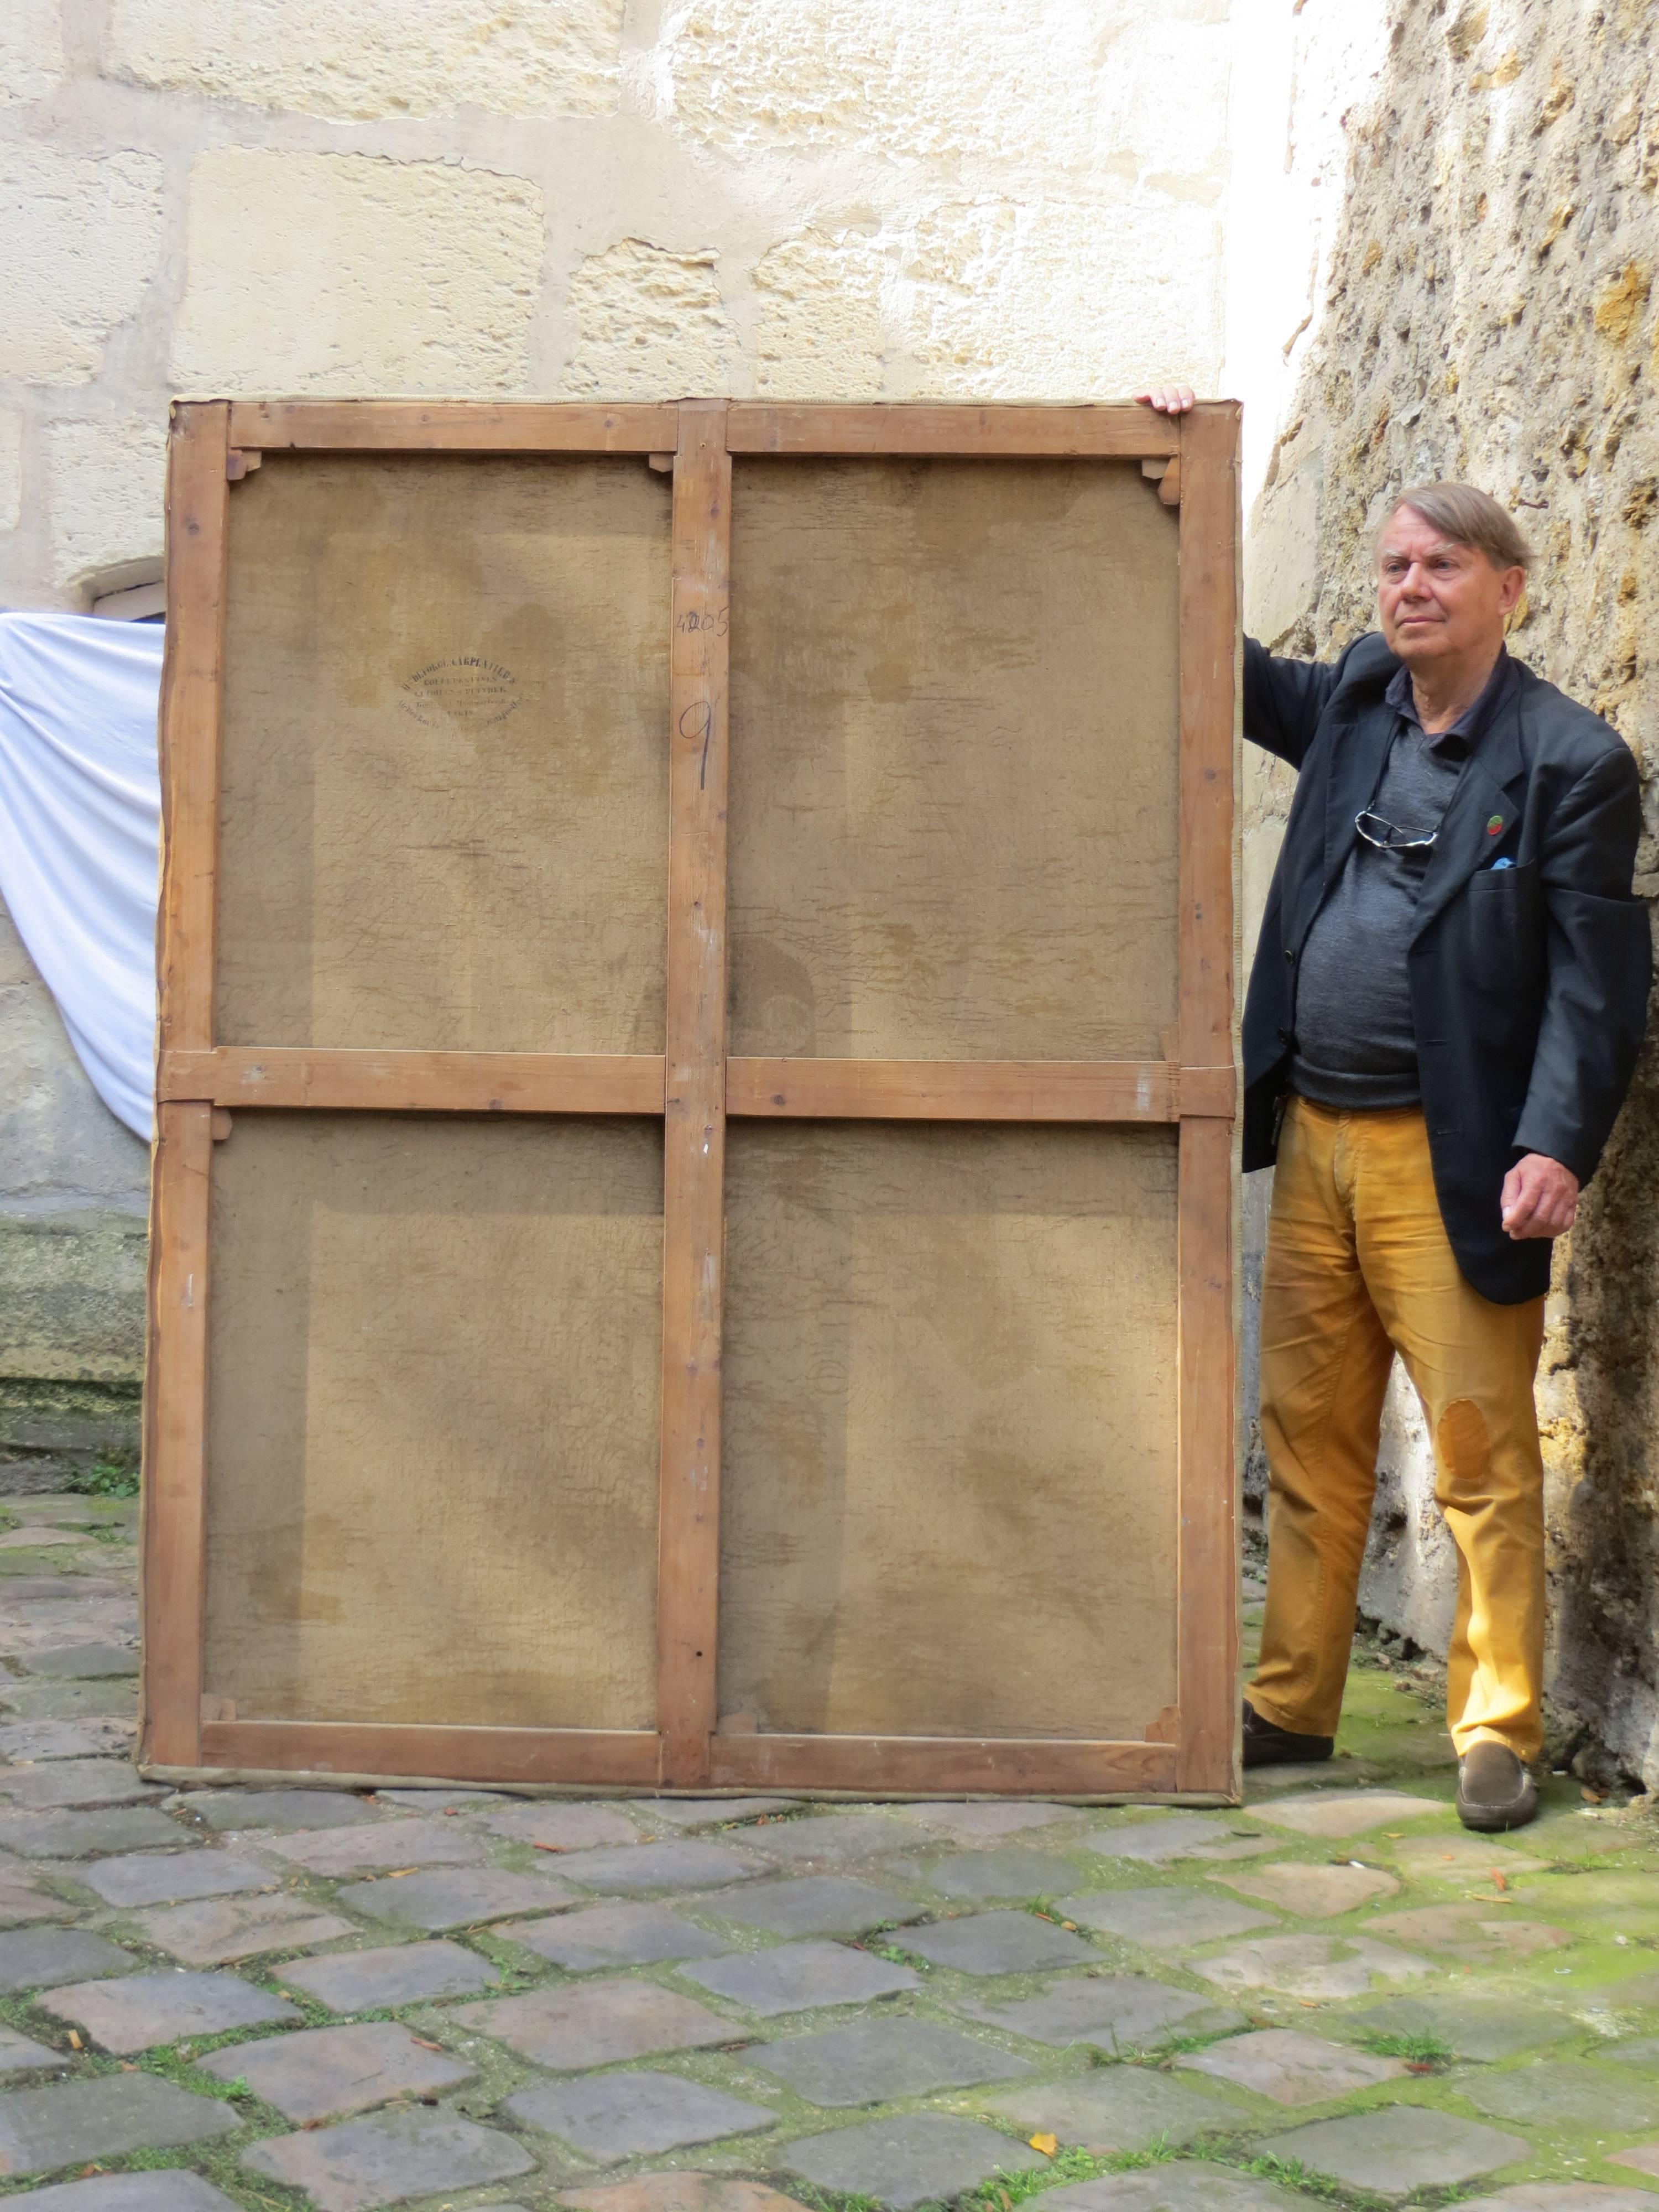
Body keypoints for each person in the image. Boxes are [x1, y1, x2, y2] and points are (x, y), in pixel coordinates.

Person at [1139, 383, 1651, 1830]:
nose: (1411, 589)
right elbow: (1210, 663)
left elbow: (1597, 983)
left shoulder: (1569, 762)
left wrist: (1556, 1143)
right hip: (1316, 1141)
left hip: (1460, 1158)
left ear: (1509, 588)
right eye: (1395, 568)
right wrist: (1165, 472)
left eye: (1441, 567)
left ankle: (1498, 1729)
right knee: (1307, 1436)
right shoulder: (1359, 697)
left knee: (1483, 1452)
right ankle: (1290, 1705)